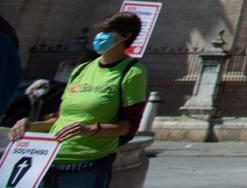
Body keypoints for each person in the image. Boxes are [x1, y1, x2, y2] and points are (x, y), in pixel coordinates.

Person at [9, 12, 147, 188]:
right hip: (48, 158)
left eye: (108, 31)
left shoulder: (132, 72)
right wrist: (29, 125)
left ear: (127, 36)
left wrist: (89, 129)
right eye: (101, 31)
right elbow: (61, 118)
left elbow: (129, 126)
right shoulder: (81, 69)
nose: (100, 36)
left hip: (87, 164)